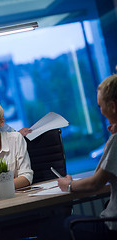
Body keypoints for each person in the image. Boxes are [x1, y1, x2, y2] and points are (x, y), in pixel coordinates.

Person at [57, 74, 117, 239]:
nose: (100, 110)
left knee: (65, 223)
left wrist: (69, 185)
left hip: (113, 227)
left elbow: (96, 182)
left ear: (112, 107)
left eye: (100, 106)